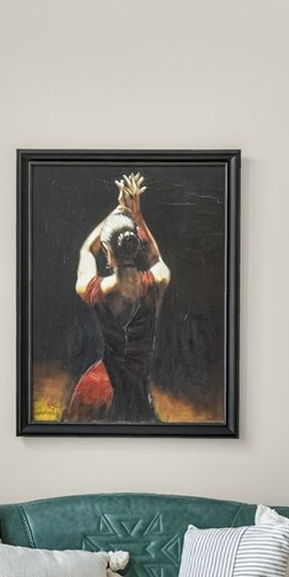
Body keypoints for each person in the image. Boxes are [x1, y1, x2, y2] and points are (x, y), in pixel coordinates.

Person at [64, 173, 171, 423]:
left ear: (108, 252)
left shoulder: (95, 290)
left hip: (101, 389)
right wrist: (136, 214)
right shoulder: (157, 283)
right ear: (136, 246)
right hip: (136, 391)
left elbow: (85, 251)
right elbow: (155, 258)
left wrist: (119, 209)